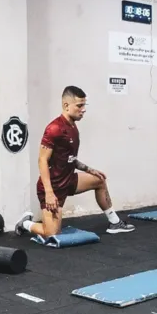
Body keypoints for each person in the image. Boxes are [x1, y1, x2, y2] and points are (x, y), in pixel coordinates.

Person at [15, 86, 135, 238]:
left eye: (84, 105)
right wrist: (49, 193)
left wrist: (89, 170)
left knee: (99, 180)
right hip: (54, 187)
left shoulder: (72, 126)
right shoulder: (54, 128)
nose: (83, 109)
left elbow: (69, 158)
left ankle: (115, 222)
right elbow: (42, 160)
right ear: (66, 106)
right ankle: (26, 223)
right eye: (79, 105)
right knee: (51, 233)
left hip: (69, 180)